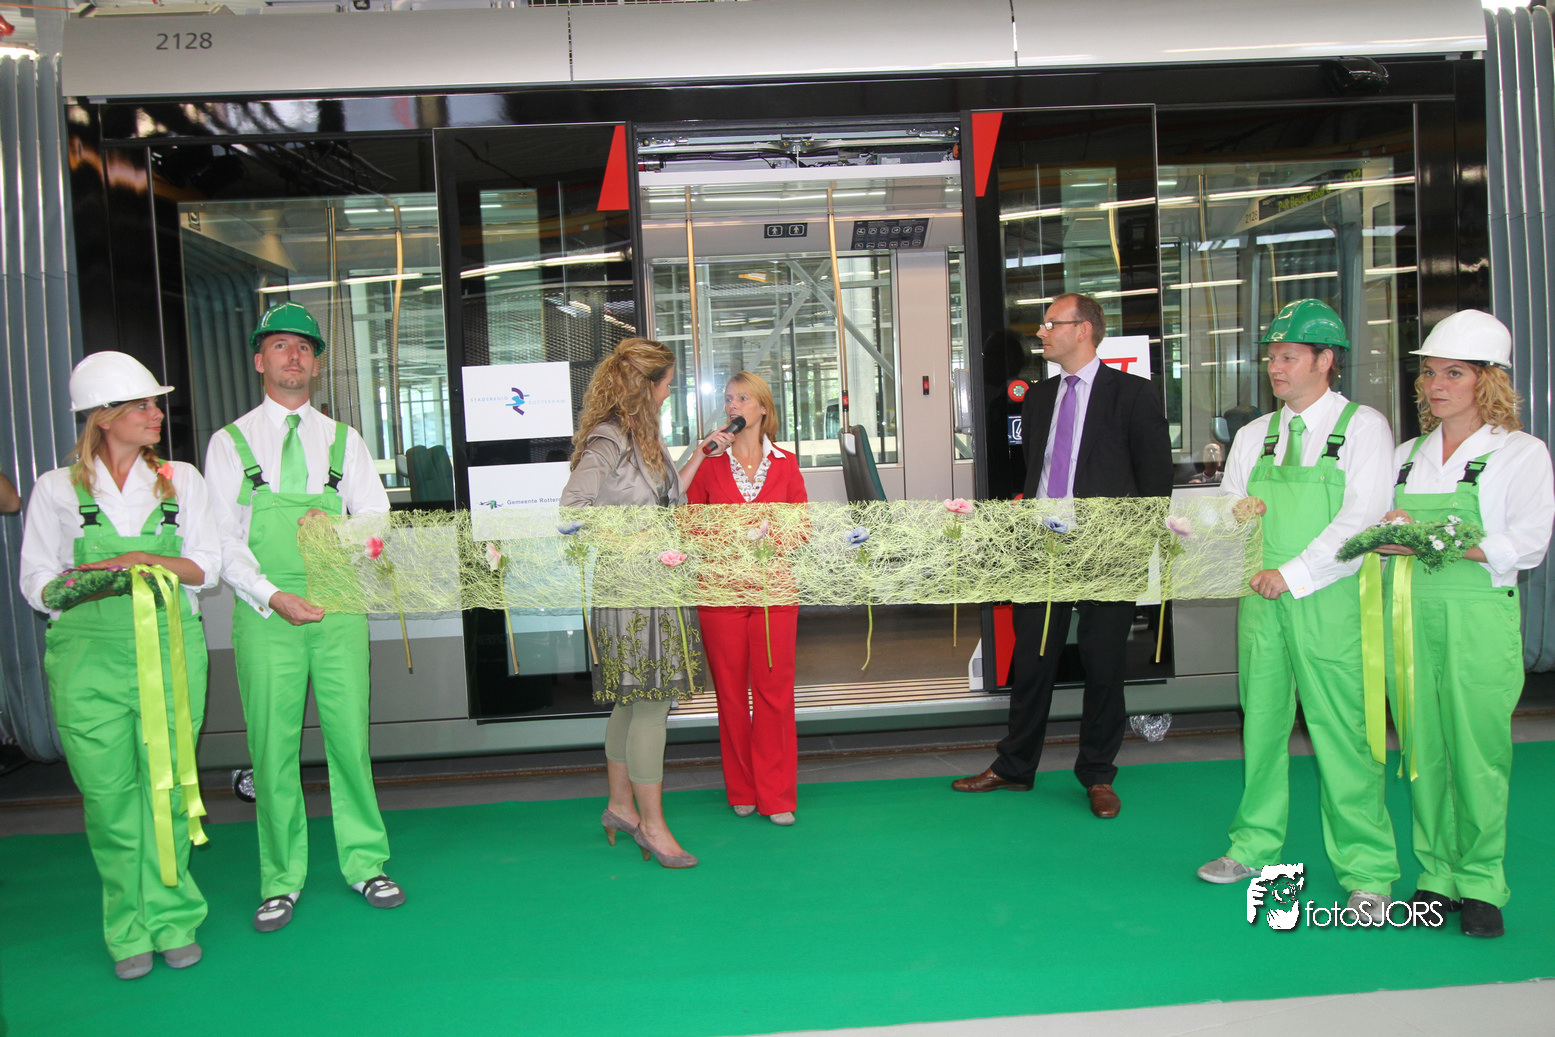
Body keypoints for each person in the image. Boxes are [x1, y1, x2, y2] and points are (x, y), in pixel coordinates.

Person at [204, 302, 404, 932]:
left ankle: (366, 862)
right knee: (272, 748)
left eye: (304, 347)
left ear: (317, 364)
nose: (293, 356)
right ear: (259, 360)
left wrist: (339, 533)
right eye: (280, 345)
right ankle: (280, 879)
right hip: (266, 615)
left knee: (350, 741)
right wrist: (271, 595)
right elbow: (221, 540)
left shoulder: (345, 440)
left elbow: (377, 521)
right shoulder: (229, 443)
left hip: (338, 608)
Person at [19, 352, 220, 979]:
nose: (157, 414)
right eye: (143, 405)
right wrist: (90, 582)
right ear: (103, 417)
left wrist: (136, 561)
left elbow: (205, 568)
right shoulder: (55, 489)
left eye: (155, 403)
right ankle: (126, 928)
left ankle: (173, 919)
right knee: (109, 799)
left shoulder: (183, 480)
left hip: (169, 650)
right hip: (87, 662)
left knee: (168, 788)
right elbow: (37, 583)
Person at [1198, 298, 1399, 923]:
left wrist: (1292, 574)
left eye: (1288, 357)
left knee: (1344, 733)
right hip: (1261, 600)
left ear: (1325, 360)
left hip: (1330, 600)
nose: (1276, 368)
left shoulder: (1364, 429)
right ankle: (1252, 846)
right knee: (1260, 725)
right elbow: (1228, 503)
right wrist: (1230, 518)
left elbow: (1362, 520)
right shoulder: (1254, 435)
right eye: (1272, 358)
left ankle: (1368, 870)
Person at [952, 292, 1172, 817]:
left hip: (1108, 550)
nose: (1041, 333)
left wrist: (1135, 547)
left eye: (1052, 323)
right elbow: (1036, 472)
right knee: (1031, 660)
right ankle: (1014, 766)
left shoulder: (1132, 394)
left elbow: (1155, 482)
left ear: (1084, 330)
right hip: (1044, 547)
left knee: (1104, 664)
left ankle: (1097, 774)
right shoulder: (1039, 397)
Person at [1373, 310, 1552, 938]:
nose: (1435, 385)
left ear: (1488, 380)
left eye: (1453, 373)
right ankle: (1436, 875)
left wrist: (1432, 539)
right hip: (1407, 613)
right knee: (1421, 749)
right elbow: (1376, 531)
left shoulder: (1520, 453)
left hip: (1478, 615)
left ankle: (1481, 882)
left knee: (1478, 753)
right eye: (1429, 373)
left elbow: (1529, 543)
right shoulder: (1405, 456)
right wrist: (1382, 539)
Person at [560, 337, 705, 869]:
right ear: (646, 385)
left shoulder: (642, 436)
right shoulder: (610, 436)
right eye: (666, 384)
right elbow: (572, 510)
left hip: (656, 584)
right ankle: (652, 826)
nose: (669, 393)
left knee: (631, 700)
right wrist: (635, 543)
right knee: (651, 703)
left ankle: (621, 807)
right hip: (631, 587)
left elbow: (664, 502)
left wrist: (698, 455)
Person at [683, 372, 809, 826]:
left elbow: (801, 527)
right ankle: (743, 789)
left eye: (742, 398)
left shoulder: (787, 463)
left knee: (775, 694)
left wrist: (770, 538)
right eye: (728, 399)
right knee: (732, 695)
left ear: (762, 408)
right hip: (721, 591)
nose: (733, 405)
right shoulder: (710, 462)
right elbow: (689, 524)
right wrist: (737, 537)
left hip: (775, 591)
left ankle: (777, 795)